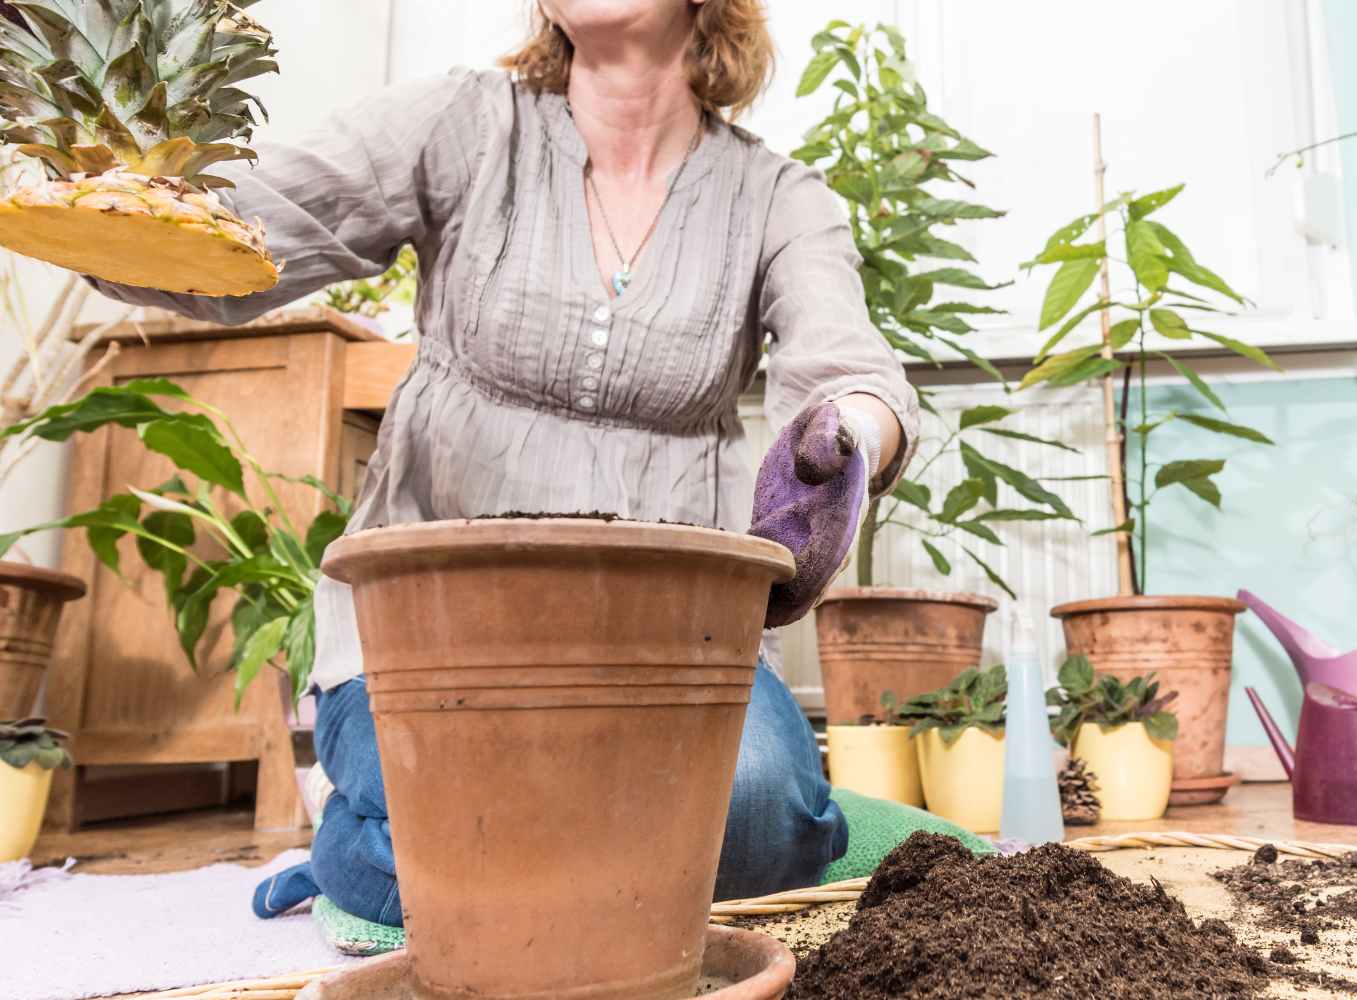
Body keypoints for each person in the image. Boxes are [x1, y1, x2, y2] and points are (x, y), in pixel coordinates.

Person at [90, 0, 918, 925]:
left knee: (763, 823)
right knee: (438, 844)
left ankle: (512, 863)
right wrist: (84, 182)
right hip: (428, 633)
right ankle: (450, 852)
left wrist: (843, 438)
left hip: (676, 643)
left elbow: (849, 368)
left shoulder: (777, 198)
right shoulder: (463, 125)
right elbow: (234, 227)